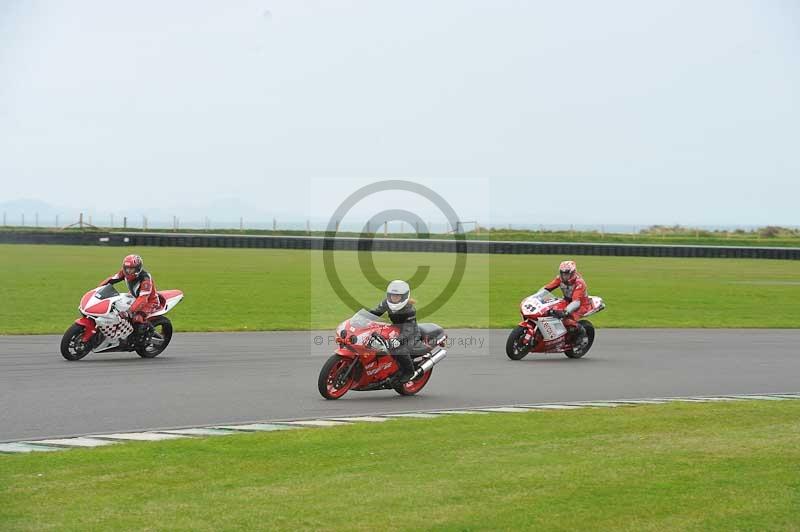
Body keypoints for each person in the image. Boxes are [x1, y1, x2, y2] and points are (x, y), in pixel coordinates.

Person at [368, 280, 418, 383]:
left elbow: (409, 329)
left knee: (399, 349)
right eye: (392, 295)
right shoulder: (386, 302)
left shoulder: (409, 309)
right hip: (394, 328)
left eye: (397, 296)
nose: (394, 298)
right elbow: (375, 312)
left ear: (404, 296)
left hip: (410, 333)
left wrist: (399, 340)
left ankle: (409, 372)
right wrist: (361, 319)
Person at [101, 254, 159, 337]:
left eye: (131, 269)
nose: (128, 271)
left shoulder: (145, 279)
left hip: (150, 301)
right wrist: (97, 289)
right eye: (127, 268)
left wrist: (129, 312)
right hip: (134, 297)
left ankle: (143, 336)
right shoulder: (124, 272)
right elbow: (111, 280)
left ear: (138, 268)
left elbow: (143, 298)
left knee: (137, 318)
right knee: (116, 307)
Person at [540, 260, 592, 343]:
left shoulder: (579, 283)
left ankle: (581, 332)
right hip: (566, 301)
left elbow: (576, 302)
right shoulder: (560, 279)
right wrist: (537, 296)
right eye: (562, 273)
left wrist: (565, 312)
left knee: (567, 320)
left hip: (581, 305)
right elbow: (546, 288)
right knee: (548, 311)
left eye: (567, 273)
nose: (564, 276)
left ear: (573, 273)